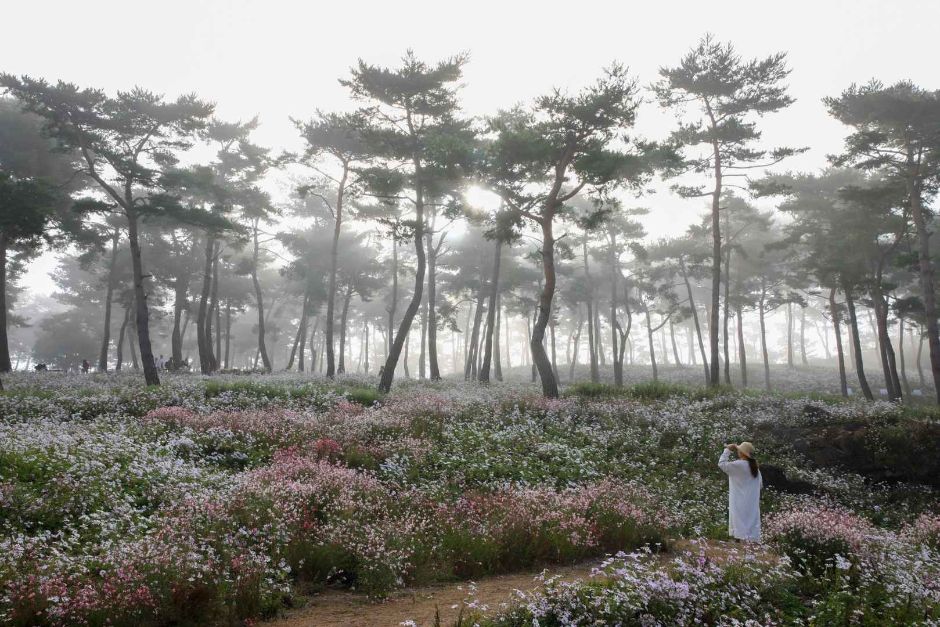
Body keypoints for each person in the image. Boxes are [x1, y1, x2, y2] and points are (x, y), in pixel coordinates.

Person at [718, 441, 762, 542]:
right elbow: (760, 485)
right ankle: (750, 542)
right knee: (750, 520)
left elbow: (722, 464)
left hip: (739, 498)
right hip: (751, 501)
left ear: (741, 452)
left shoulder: (739, 465)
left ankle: (740, 541)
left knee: (739, 520)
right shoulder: (755, 468)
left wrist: (728, 450)